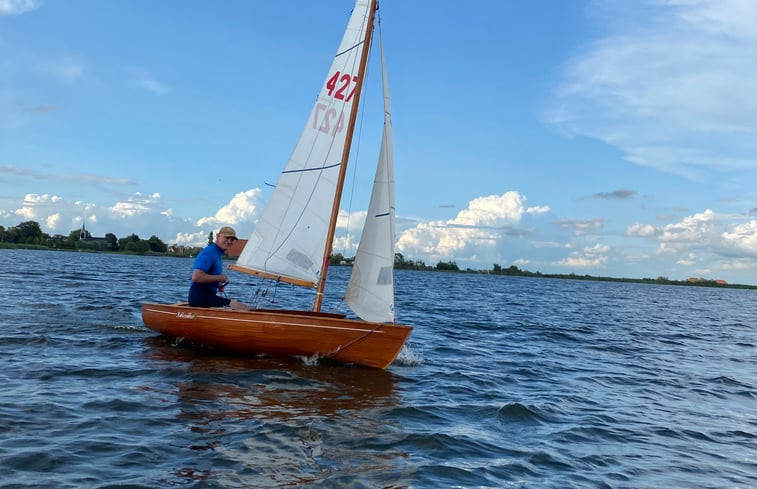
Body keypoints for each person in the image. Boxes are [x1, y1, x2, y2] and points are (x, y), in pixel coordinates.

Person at [188, 226, 248, 309]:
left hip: (206, 297)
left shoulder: (217, 253)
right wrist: (220, 278)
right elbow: (196, 277)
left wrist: (218, 284)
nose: (229, 241)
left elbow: (208, 275)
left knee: (241, 307)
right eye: (226, 237)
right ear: (217, 236)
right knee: (244, 308)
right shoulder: (210, 252)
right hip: (200, 298)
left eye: (232, 239)